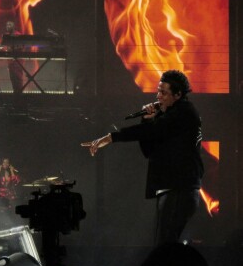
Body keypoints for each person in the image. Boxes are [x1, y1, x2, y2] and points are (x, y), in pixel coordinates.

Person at [81, 70, 204, 246]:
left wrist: (110, 138)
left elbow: (150, 132)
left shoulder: (184, 112)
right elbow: (150, 150)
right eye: (158, 91)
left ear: (178, 95)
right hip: (171, 188)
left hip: (180, 189)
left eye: (164, 93)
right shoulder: (169, 116)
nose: (158, 96)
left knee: (165, 247)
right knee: (164, 245)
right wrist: (147, 119)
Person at [4, 21, 24, 93]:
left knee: (18, 78)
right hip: (10, 62)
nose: (8, 26)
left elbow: (21, 47)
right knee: (12, 78)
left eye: (10, 25)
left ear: (13, 26)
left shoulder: (18, 34)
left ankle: (19, 94)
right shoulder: (6, 36)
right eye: (7, 25)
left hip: (17, 61)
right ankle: (16, 93)